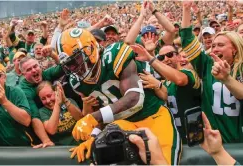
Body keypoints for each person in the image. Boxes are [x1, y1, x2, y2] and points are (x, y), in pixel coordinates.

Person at [56, 28, 180, 165]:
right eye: (69, 65)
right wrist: (93, 137)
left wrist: (92, 117)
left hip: (152, 115)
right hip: (123, 123)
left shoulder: (114, 55)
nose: (75, 68)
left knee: (164, 161)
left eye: (76, 59)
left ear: (90, 48)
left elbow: (134, 99)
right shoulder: (77, 82)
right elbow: (105, 112)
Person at [181, 1, 243, 143]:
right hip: (214, 139)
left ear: (234, 49)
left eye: (221, 45)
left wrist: (226, 78)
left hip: (238, 140)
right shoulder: (207, 65)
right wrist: (186, 9)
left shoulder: (241, 68)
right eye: (213, 45)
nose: (215, 49)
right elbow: (187, 41)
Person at [18, 49, 61, 148]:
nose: (34, 70)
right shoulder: (24, 90)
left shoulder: (45, 74)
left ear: (39, 66)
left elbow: (63, 67)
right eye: (29, 69)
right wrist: (46, 141)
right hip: (37, 129)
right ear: (23, 74)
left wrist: (53, 55)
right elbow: (35, 117)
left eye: (35, 66)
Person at [37, 81, 83, 145]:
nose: (48, 101)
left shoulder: (69, 101)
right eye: (43, 99)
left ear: (56, 92)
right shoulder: (42, 111)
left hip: (80, 143)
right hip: (62, 149)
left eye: (49, 96)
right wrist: (57, 104)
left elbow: (81, 119)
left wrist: (64, 100)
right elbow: (51, 130)